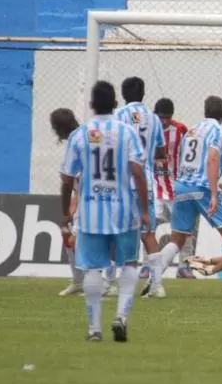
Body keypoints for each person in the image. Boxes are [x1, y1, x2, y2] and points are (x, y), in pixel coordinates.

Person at [149, 96, 222, 300]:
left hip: (182, 187)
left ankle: (155, 283)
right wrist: (214, 192)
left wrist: (220, 185)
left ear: (205, 111)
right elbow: (212, 157)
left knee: (177, 239)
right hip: (202, 188)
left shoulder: (191, 131)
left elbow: (191, 165)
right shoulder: (218, 130)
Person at [59, 81, 150, 342]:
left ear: (91, 105)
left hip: (89, 212)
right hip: (123, 210)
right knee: (129, 264)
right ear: (115, 104)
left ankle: (94, 329)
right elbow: (137, 173)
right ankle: (121, 316)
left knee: (91, 270)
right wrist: (144, 209)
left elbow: (66, 180)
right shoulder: (127, 132)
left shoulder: (80, 134)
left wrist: (65, 213)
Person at [114, 77, 166, 297]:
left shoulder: (119, 116)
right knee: (148, 234)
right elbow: (161, 152)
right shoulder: (154, 119)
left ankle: (118, 283)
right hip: (147, 183)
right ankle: (157, 285)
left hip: (124, 182)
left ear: (123, 94)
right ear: (143, 94)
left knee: (121, 233)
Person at [151, 97, 198, 280]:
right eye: (161, 117)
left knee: (184, 228)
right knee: (148, 228)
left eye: (167, 117)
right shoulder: (147, 128)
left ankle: (184, 266)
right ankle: (150, 265)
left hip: (176, 187)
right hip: (154, 186)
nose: (164, 121)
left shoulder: (181, 130)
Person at [50, 108, 85, 297]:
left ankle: (104, 282)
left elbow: (68, 180)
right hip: (84, 197)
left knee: (78, 239)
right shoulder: (80, 135)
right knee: (67, 234)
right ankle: (79, 281)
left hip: (94, 200)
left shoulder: (77, 140)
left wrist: (67, 212)